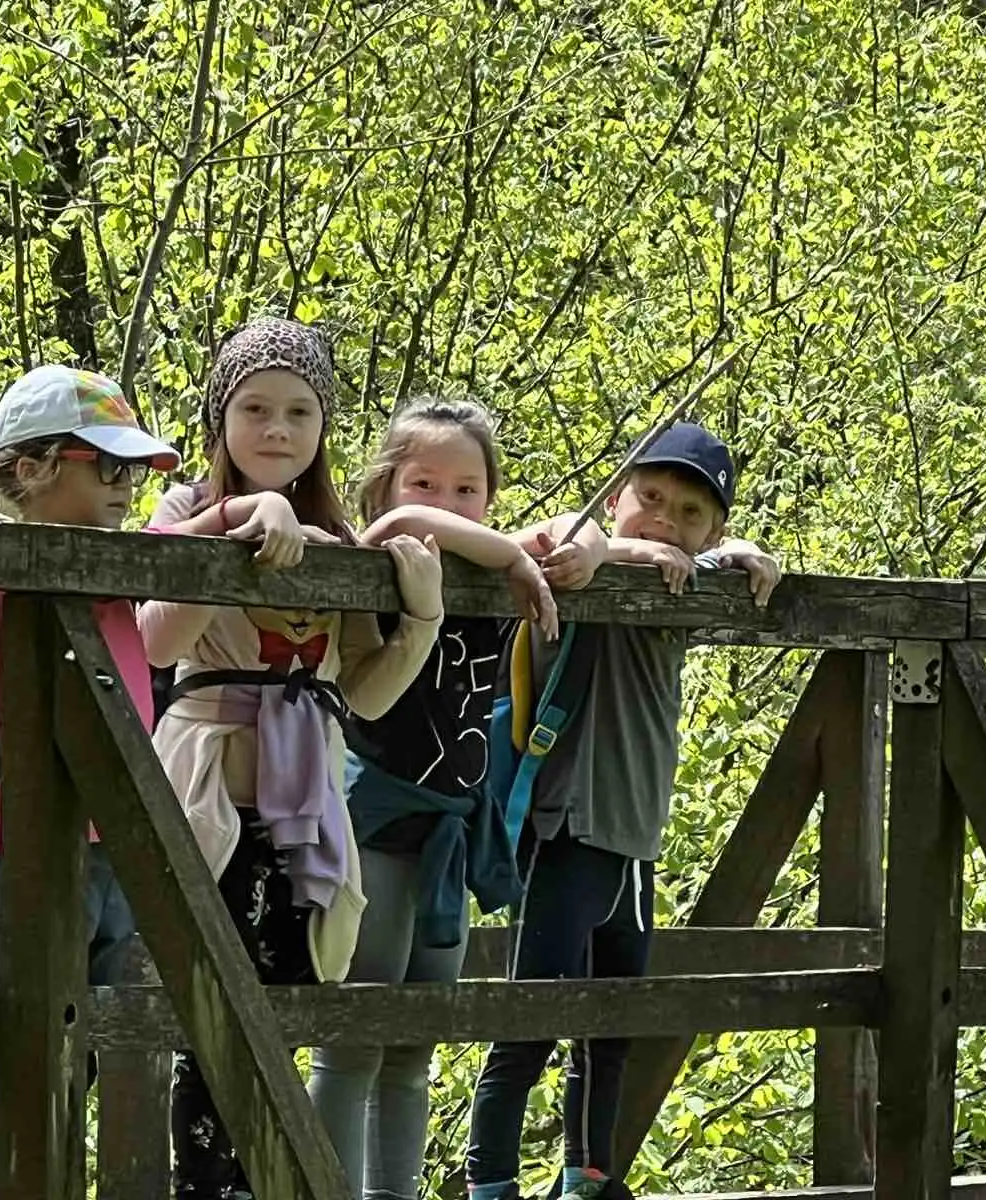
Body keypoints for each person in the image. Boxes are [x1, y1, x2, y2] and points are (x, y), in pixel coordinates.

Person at [136, 318, 446, 1200]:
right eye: (255, 409)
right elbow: (160, 643)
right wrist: (235, 520)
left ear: (323, 428)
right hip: (211, 807)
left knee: (286, 1011)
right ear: (219, 416)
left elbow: (369, 692)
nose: (277, 430)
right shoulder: (182, 511)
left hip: (305, 812)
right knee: (207, 1021)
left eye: (300, 412)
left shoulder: (340, 538)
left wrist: (418, 617)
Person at [464, 421, 781, 1200]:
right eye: (650, 498)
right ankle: (489, 1184)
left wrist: (733, 558)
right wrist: (619, 549)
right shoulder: (581, 563)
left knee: (612, 1026)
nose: (665, 519)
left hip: (634, 835)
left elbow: (714, 576)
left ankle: (589, 1176)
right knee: (529, 1025)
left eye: (689, 512)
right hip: (568, 824)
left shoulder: (682, 585)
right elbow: (563, 554)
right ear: (616, 497)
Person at [308, 396, 606, 1200]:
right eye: (425, 482)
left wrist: (586, 547)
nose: (444, 504)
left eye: (467, 488)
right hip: (376, 825)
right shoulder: (379, 558)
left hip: (450, 830)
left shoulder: (489, 572)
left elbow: (585, 535)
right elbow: (404, 525)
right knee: (355, 1036)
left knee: (415, 1046)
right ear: (384, 487)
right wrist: (515, 555)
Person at [0, 365, 181, 1200]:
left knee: (72, 1065)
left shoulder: (116, 567)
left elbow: (206, 518)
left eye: (132, 470)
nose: (125, 487)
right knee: (9, 1071)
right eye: (107, 466)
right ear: (30, 470)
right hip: (19, 852)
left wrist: (265, 508)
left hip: (112, 855)